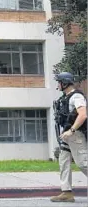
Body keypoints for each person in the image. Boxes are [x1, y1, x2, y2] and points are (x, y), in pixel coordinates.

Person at [50, 72, 87, 202]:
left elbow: (83, 115)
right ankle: (66, 192)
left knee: (83, 163)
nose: (58, 85)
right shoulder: (65, 98)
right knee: (63, 161)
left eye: (59, 82)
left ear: (65, 83)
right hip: (67, 135)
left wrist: (71, 130)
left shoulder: (76, 96)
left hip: (76, 134)